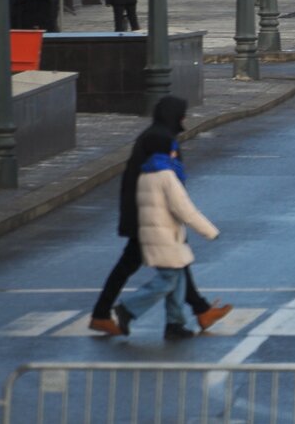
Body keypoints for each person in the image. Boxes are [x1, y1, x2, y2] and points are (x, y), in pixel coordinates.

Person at [90, 96, 231, 336]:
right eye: (182, 114)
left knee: (174, 263)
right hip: (152, 217)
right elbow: (167, 184)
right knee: (168, 268)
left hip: (148, 213)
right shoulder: (160, 140)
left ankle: (183, 319)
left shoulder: (155, 135)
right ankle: (115, 313)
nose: (184, 119)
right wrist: (201, 226)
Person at [111, 128, 220, 339]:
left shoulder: (147, 173)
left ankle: (175, 324)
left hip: (156, 234)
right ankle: (127, 309)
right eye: (172, 150)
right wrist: (210, 231)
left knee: (177, 280)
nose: (174, 153)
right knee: (168, 280)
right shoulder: (166, 176)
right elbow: (184, 209)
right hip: (165, 237)